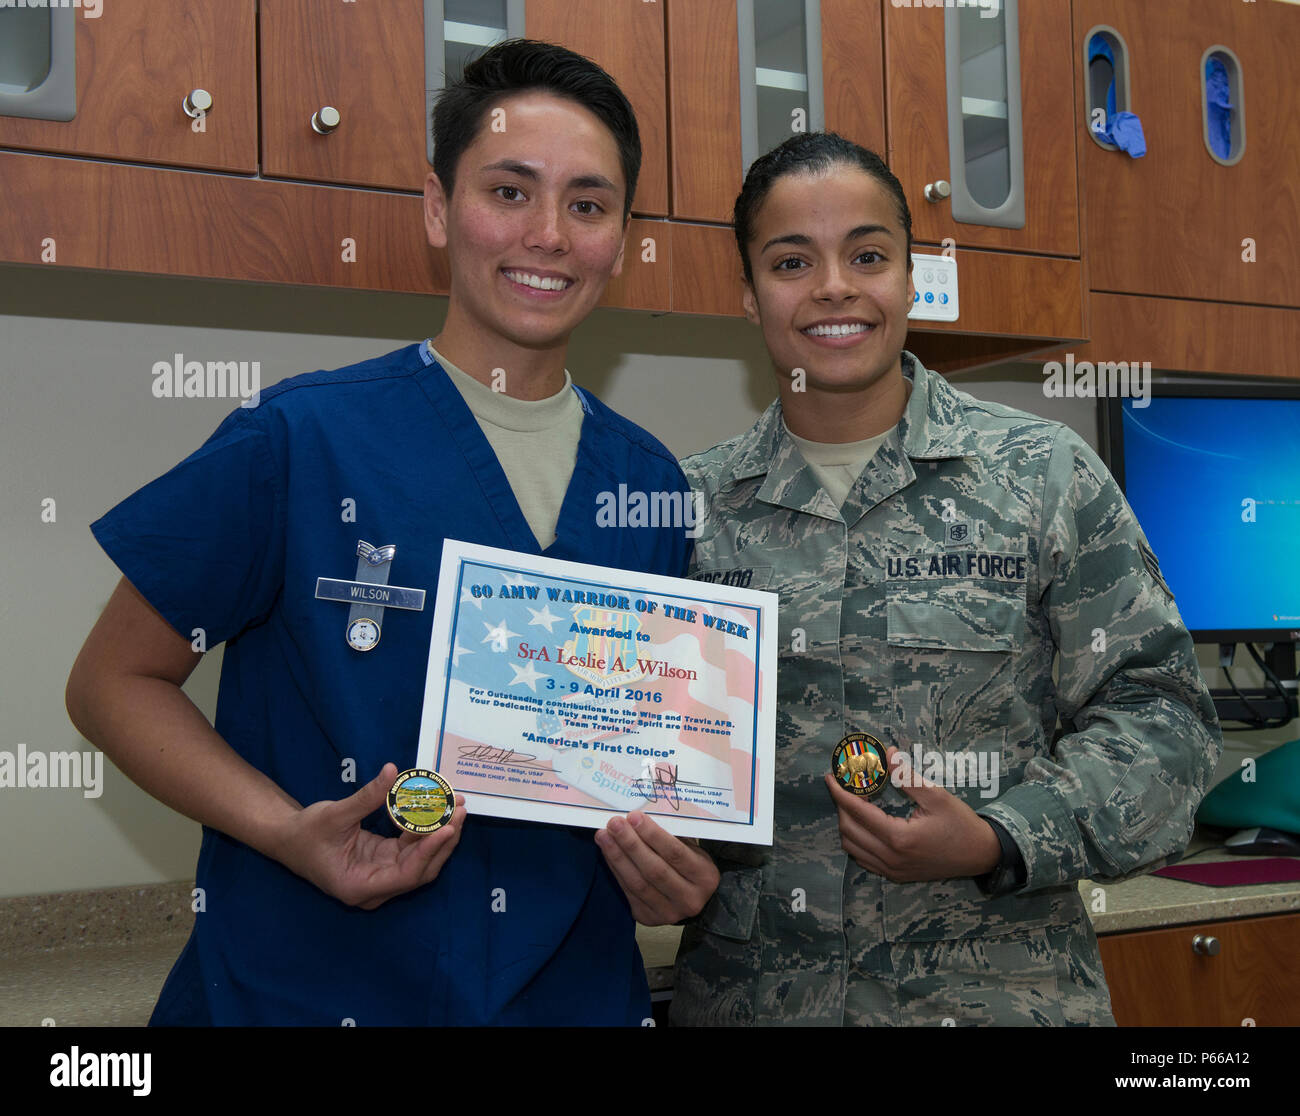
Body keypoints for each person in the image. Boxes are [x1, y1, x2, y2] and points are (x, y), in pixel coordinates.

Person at [64, 39, 718, 1027]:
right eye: (508, 190)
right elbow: (111, 684)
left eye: (587, 205)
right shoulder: (295, 440)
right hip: (301, 990)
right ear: (435, 206)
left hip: (566, 996)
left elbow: (647, 766)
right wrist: (288, 833)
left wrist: (670, 870)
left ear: (622, 238)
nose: (547, 233)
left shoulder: (650, 487)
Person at [669, 132, 1223, 1026]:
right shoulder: (688, 507)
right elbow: (646, 752)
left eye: (869, 254)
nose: (834, 287)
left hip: (997, 998)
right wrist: (655, 850)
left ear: (910, 276)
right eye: (790, 261)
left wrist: (1000, 833)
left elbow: (1165, 720)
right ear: (747, 293)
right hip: (757, 1001)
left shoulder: (1043, 474)